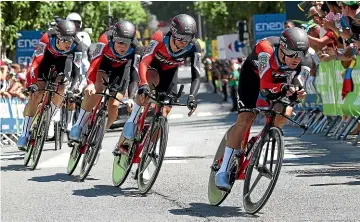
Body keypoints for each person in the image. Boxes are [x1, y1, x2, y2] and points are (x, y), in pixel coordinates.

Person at [215, 27, 313, 191]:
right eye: (293, 54)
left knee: (285, 112)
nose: (297, 59)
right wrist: (284, 88)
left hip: (281, 82)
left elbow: (299, 82)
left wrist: (296, 90)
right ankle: (223, 170)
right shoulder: (265, 49)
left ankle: (262, 139)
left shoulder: (305, 60)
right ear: (282, 48)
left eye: (301, 54)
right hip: (253, 79)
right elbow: (264, 86)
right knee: (246, 118)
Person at [120, 14, 201, 144]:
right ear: (173, 33)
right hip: (153, 67)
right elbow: (145, 62)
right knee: (146, 94)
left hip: (170, 73)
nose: (184, 42)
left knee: (165, 110)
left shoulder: (194, 46)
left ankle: (148, 146)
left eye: (188, 38)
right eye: (181, 38)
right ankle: (132, 121)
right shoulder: (160, 36)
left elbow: (196, 75)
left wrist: (192, 96)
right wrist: (144, 84)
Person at [69, 20, 143, 142]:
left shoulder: (136, 48)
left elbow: (135, 73)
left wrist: (131, 97)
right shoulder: (104, 39)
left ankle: (100, 134)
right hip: (104, 65)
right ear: (113, 38)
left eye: (127, 43)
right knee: (97, 90)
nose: (123, 46)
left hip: (122, 70)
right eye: (120, 42)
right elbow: (95, 62)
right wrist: (90, 83)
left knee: (114, 105)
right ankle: (79, 124)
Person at [16, 20, 82, 150]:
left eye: (70, 40)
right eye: (65, 40)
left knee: (62, 88)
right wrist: (32, 84)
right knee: (36, 94)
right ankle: (24, 134)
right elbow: (35, 63)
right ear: (57, 37)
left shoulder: (77, 45)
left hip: (63, 65)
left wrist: (73, 88)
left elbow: (76, 71)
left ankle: (49, 116)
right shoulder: (47, 38)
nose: (68, 43)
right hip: (45, 63)